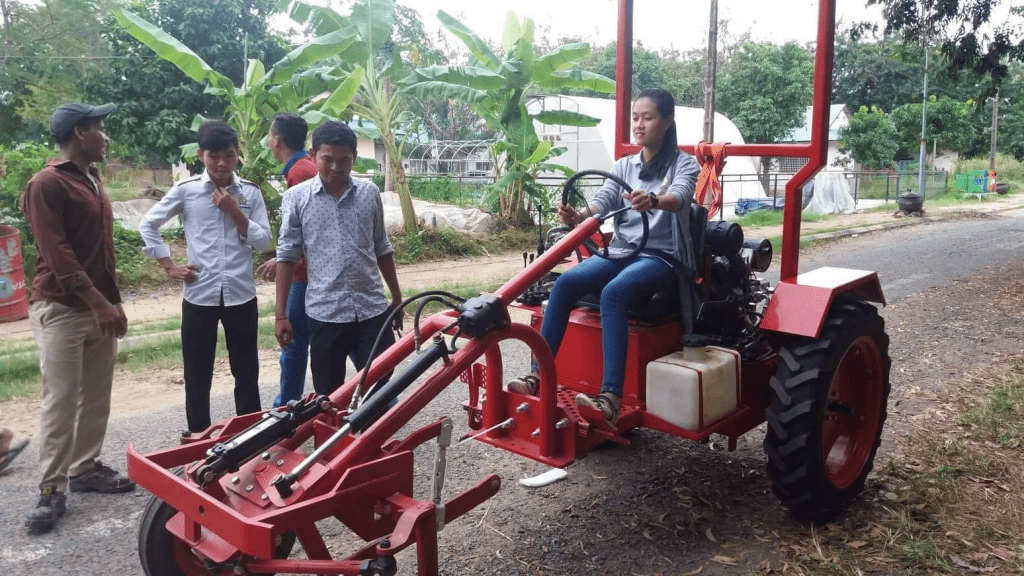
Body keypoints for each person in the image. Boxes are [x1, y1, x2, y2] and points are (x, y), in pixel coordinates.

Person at [507, 88, 700, 426]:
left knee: (614, 293)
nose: (639, 125)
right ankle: (538, 376)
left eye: (648, 117)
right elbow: (605, 199)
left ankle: (610, 398)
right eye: (635, 118)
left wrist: (654, 200)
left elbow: (681, 197)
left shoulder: (684, 164)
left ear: (667, 122)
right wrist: (579, 215)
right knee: (566, 283)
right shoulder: (625, 164)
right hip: (623, 251)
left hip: (661, 257)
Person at [19, 102, 134, 534]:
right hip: (63, 309)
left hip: (99, 305)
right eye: (100, 129)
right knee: (61, 399)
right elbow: (58, 254)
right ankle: (51, 489)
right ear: (79, 132)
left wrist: (111, 300)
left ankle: (84, 468)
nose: (105, 137)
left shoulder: (92, 177)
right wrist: (99, 302)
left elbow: (100, 251)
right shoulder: (45, 183)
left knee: (97, 394)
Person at [139, 120, 272, 433]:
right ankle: (199, 437)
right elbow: (148, 224)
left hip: (241, 295)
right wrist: (169, 266)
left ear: (238, 154)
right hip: (199, 296)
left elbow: (265, 241)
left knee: (247, 372)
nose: (222, 163)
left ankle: (248, 436)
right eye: (214, 155)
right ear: (201, 155)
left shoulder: (249, 193)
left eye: (229, 155)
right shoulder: (186, 192)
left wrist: (235, 212)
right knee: (198, 375)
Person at [274, 121, 403, 399]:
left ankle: (368, 433)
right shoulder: (296, 198)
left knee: (381, 376)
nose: (336, 167)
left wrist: (396, 295)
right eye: (327, 159)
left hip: (371, 308)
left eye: (344, 160)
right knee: (330, 392)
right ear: (313, 155)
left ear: (354, 157)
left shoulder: (369, 193)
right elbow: (286, 257)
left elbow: (382, 246)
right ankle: (340, 439)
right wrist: (280, 315)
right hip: (325, 313)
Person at [255, 113, 319, 407]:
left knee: (291, 341)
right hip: (304, 272)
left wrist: (286, 260)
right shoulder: (303, 168)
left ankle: (286, 406)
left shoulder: (300, 174)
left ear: (276, 140)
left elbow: (311, 229)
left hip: (305, 276)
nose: (268, 141)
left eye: (269, 135)